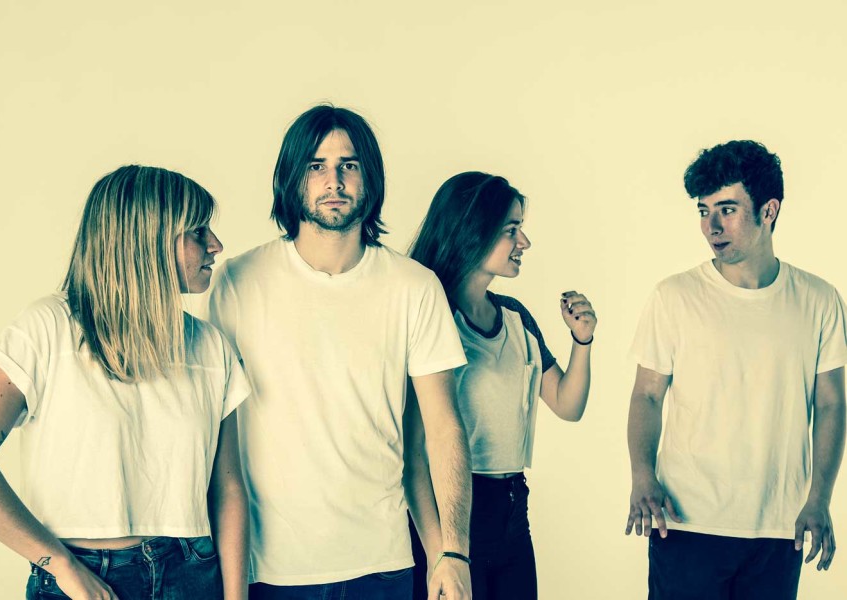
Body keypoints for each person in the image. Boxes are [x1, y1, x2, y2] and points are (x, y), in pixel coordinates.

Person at [206, 104, 473, 600]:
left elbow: (442, 428)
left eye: (348, 165)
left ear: (370, 178)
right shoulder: (239, 282)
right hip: (271, 570)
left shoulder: (414, 287)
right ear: (292, 178)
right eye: (316, 166)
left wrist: (451, 552)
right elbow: (220, 440)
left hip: (381, 564)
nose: (334, 181)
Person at [0, 165, 251, 599]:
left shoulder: (211, 346)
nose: (216, 245)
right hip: (84, 578)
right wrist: (62, 567)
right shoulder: (48, 328)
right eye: (197, 231)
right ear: (146, 239)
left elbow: (228, 489)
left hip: (191, 573)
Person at [625, 140, 847, 599]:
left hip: (778, 526)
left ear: (769, 210)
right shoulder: (675, 296)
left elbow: (831, 404)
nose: (711, 226)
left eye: (727, 210)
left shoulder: (819, 300)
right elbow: (647, 394)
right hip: (686, 521)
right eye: (703, 211)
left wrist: (819, 499)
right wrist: (642, 475)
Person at [405, 172, 597, 599]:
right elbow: (413, 453)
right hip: (453, 511)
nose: (523, 242)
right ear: (473, 230)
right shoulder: (432, 317)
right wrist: (441, 556)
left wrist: (582, 341)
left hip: (513, 506)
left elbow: (567, 404)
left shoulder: (515, 317)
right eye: (511, 230)